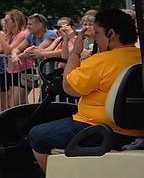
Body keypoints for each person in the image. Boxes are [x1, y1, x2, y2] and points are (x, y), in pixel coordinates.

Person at [28, 9, 144, 171]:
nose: (94, 37)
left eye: (97, 33)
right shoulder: (139, 57)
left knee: (36, 135)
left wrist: (75, 51)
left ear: (111, 33)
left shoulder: (101, 61)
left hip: (99, 129)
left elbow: (69, 87)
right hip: (135, 130)